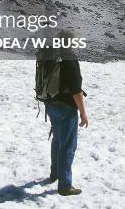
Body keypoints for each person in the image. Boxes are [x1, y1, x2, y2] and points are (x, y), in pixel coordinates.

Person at [36, 34, 88, 196]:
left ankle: (55, 173)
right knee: (68, 145)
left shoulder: (53, 56)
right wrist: (83, 113)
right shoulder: (69, 60)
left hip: (51, 104)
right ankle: (65, 185)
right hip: (66, 107)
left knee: (58, 140)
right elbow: (76, 90)